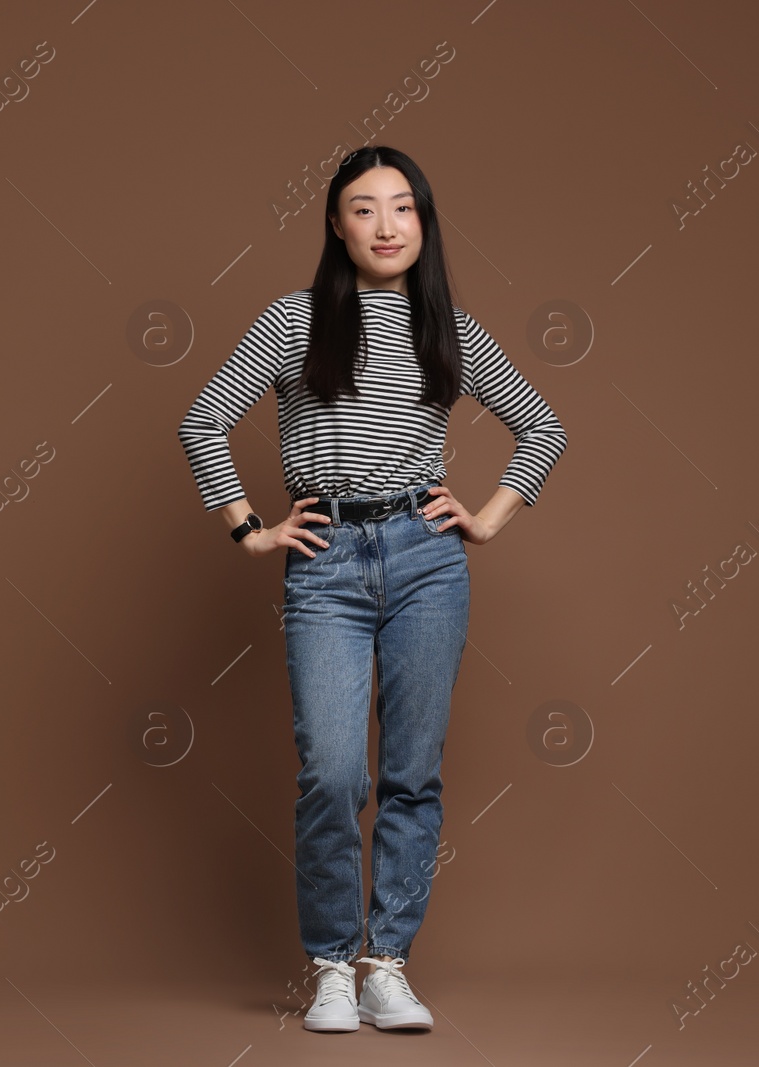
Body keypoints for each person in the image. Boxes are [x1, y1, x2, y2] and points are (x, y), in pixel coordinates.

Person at [177, 145, 566, 1034]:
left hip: (427, 559)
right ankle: (330, 968)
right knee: (332, 770)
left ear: (424, 223)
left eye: (403, 207)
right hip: (326, 558)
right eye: (364, 208)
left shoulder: (450, 330)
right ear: (334, 223)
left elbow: (542, 427)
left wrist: (491, 517)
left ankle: (387, 962)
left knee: (411, 772)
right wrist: (250, 528)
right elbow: (204, 419)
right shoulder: (294, 320)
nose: (386, 226)